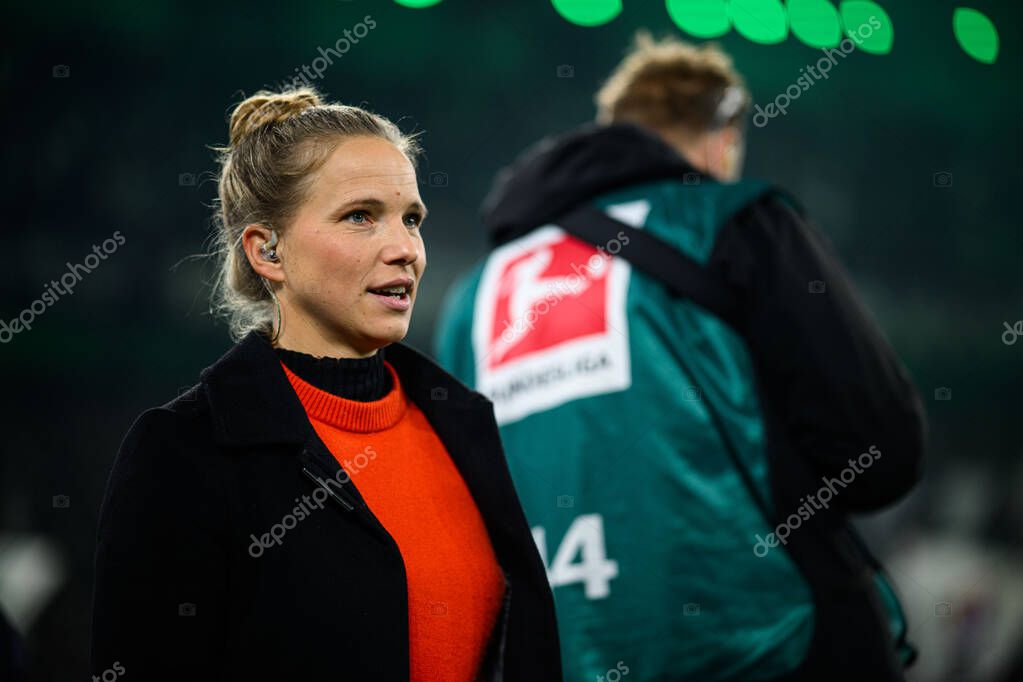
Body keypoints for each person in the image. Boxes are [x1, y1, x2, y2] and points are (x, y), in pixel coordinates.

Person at [434, 33, 925, 681]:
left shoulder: (471, 297)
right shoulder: (732, 220)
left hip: (563, 658)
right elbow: (879, 450)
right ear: (723, 138)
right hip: (769, 646)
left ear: (615, 130)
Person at [91, 87, 562, 681]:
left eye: (411, 218)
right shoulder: (183, 452)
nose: (406, 250)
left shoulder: (461, 424)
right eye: (360, 216)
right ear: (268, 251)